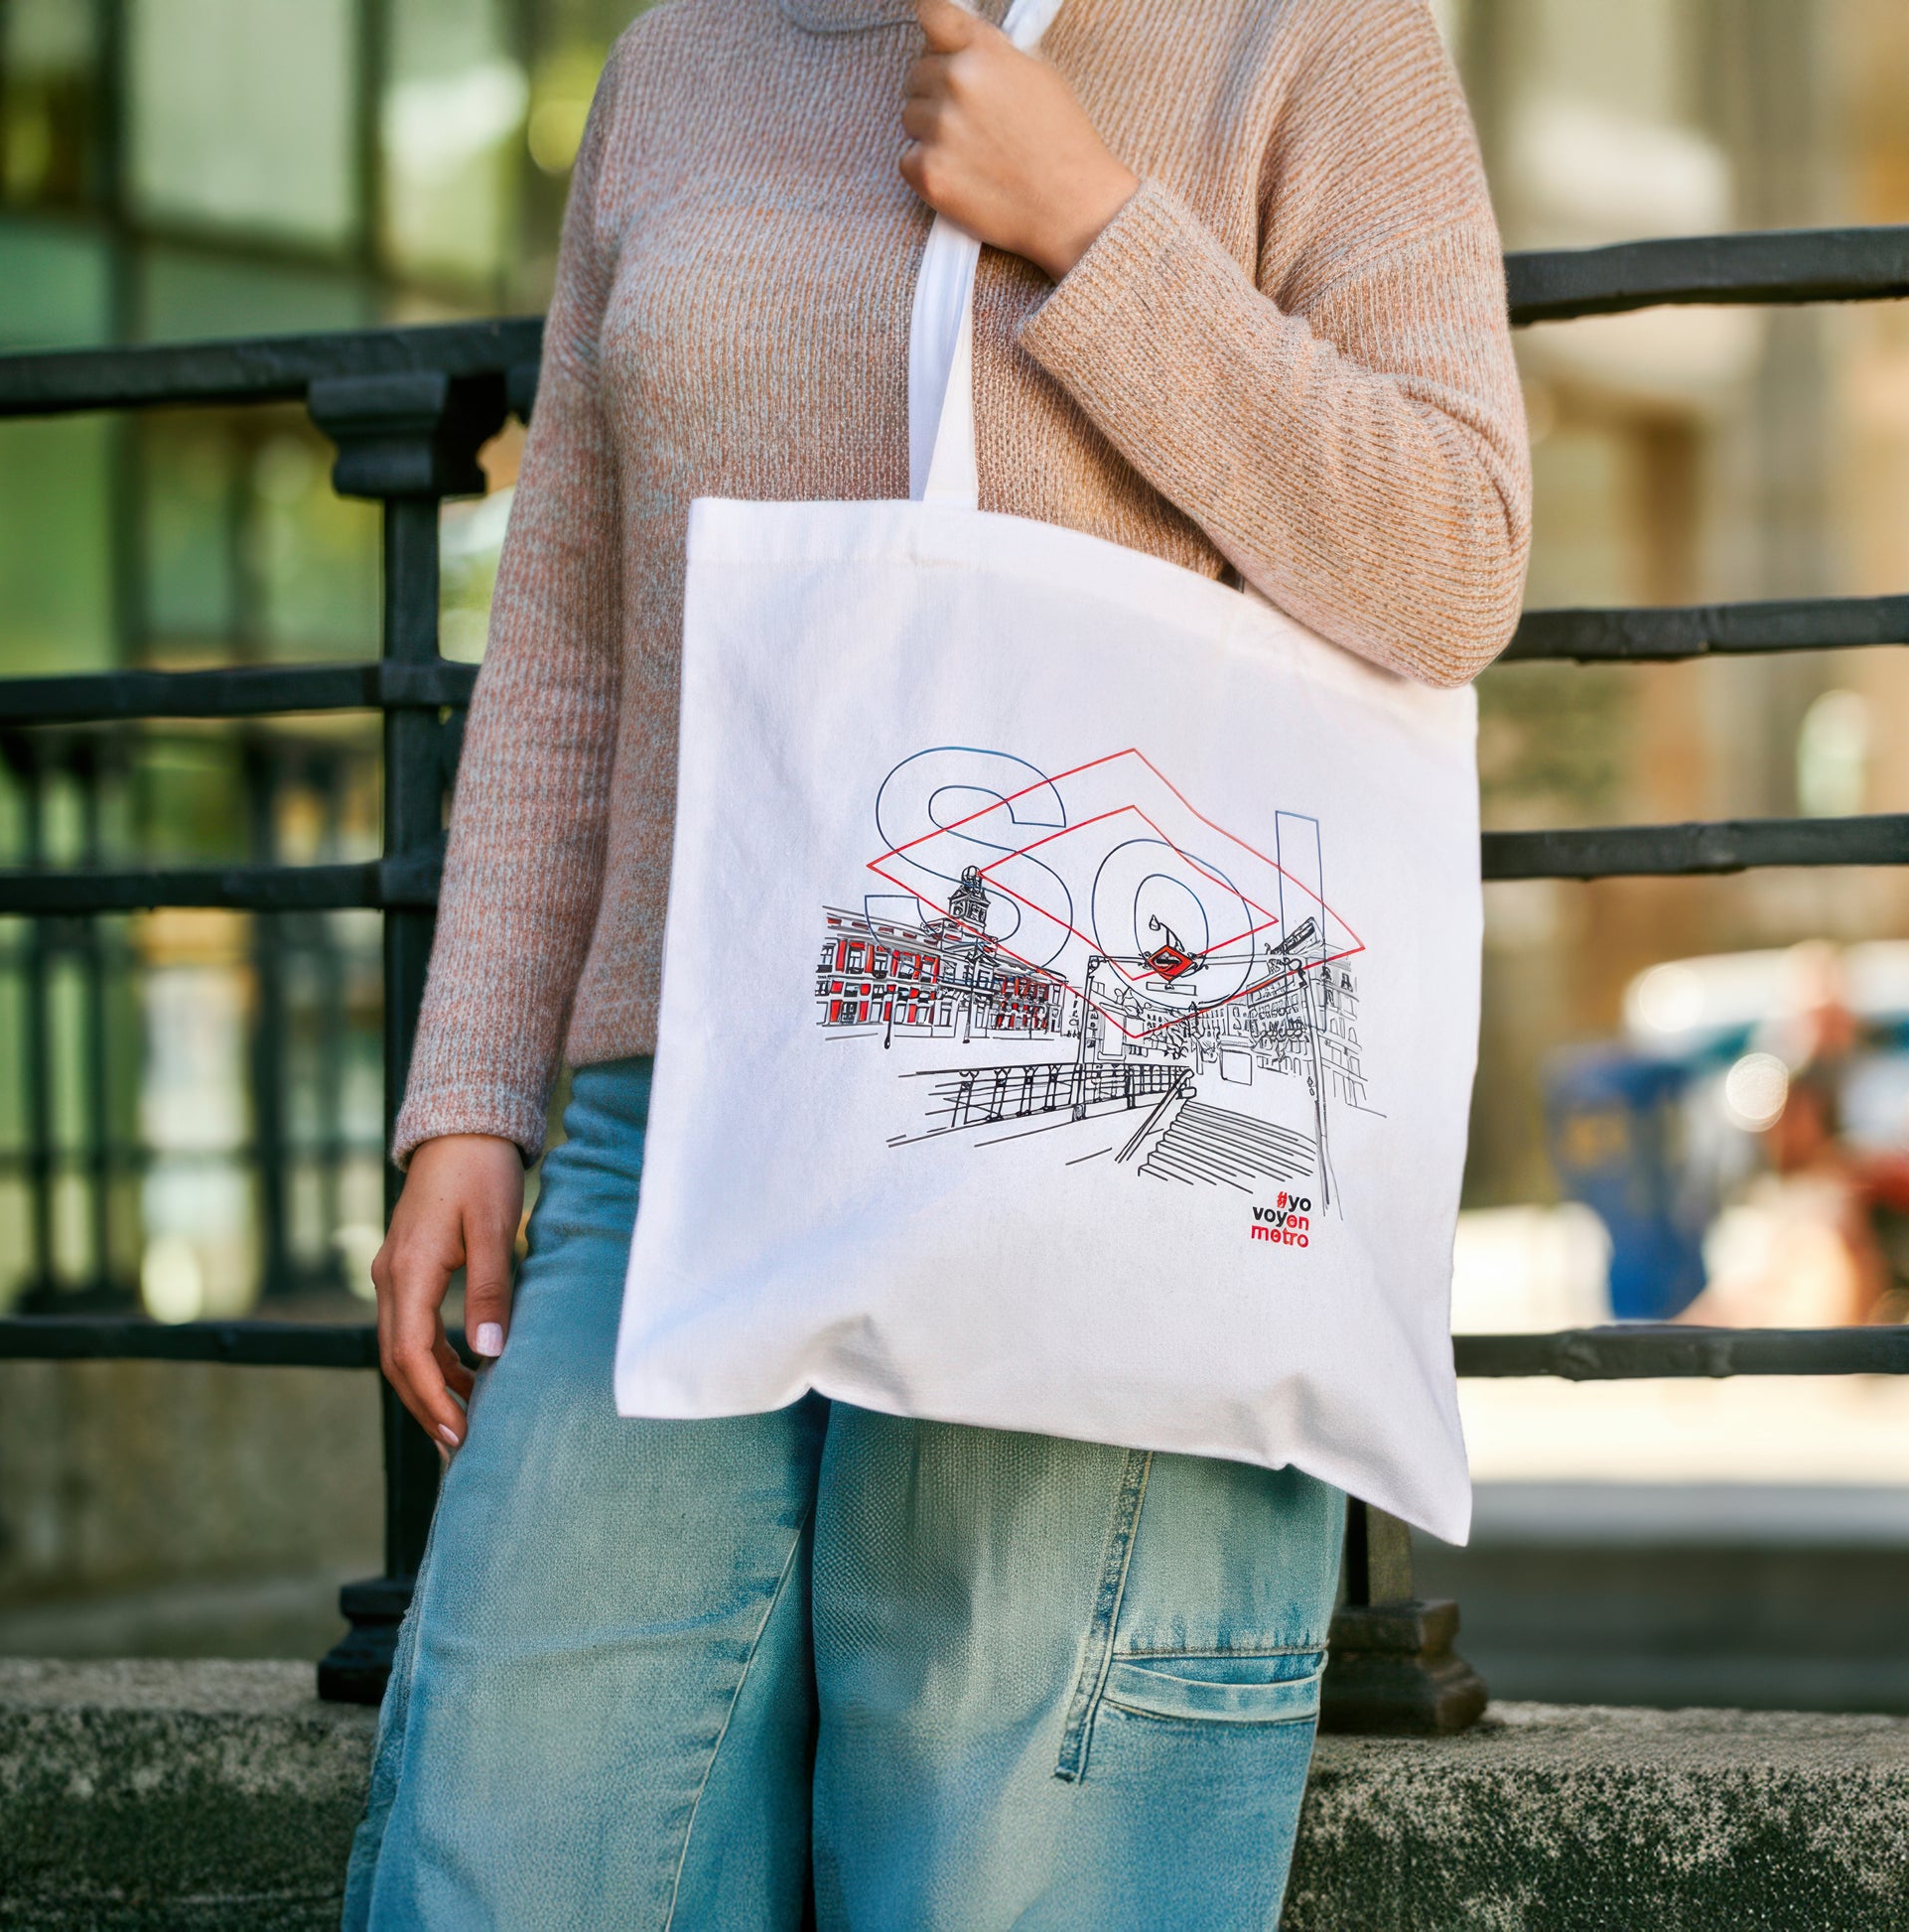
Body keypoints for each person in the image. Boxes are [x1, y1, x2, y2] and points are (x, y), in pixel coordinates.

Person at [342, 1, 1530, 1925]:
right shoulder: (678, 62)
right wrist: (472, 1086)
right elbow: (568, 624)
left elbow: (1451, 556)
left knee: (1000, 1880)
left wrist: (1093, 227)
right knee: (513, 1850)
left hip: (1108, 1116)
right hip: (680, 1106)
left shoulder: (1304, 34)